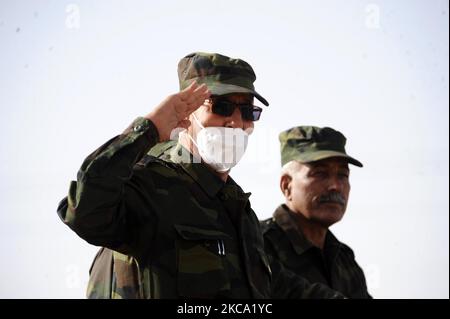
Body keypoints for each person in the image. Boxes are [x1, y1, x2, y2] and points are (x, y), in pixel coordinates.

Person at [57, 52, 343, 299]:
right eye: (221, 107)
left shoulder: (238, 209)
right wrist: (148, 129)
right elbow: (83, 211)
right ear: (188, 113)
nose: (235, 121)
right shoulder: (147, 186)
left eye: (247, 111)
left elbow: (276, 286)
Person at [261, 126, 372, 298]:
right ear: (286, 185)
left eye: (342, 175)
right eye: (320, 173)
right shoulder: (257, 245)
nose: (335, 186)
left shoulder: (344, 260)